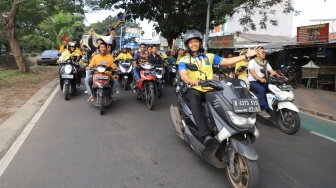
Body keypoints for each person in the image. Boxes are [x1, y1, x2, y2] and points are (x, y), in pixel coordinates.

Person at [178, 30, 260, 146]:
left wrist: (245, 56)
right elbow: (183, 75)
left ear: (200, 43)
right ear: (188, 45)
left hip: (209, 87)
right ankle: (205, 135)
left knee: (226, 98)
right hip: (194, 89)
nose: (194, 44)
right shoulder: (184, 60)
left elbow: (226, 61)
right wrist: (190, 80)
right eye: (191, 42)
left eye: (196, 41)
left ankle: (237, 126)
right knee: (195, 100)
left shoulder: (209, 57)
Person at [248, 46, 286, 118]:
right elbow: (252, 72)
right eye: (263, 53)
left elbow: (272, 71)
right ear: (257, 54)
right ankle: (261, 108)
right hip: (253, 81)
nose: (264, 54)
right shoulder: (251, 62)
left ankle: (270, 106)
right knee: (261, 90)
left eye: (264, 52)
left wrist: (281, 77)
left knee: (273, 88)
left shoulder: (265, 63)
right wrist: (259, 78)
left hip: (263, 81)